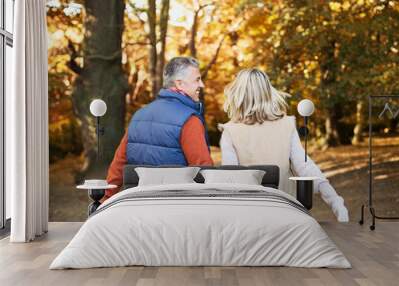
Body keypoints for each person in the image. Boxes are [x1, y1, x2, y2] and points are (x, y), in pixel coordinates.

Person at [219, 68, 349, 222]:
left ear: (239, 94)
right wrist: (335, 200)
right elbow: (305, 167)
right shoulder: (287, 124)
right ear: (267, 92)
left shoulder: (230, 131)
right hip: (287, 212)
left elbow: (230, 180)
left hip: (250, 215)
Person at [102, 57, 213, 201]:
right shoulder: (189, 120)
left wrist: (105, 200)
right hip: (176, 207)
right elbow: (204, 172)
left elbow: (118, 165)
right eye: (197, 80)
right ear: (179, 83)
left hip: (138, 205)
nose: (202, 84)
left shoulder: (139, 116)